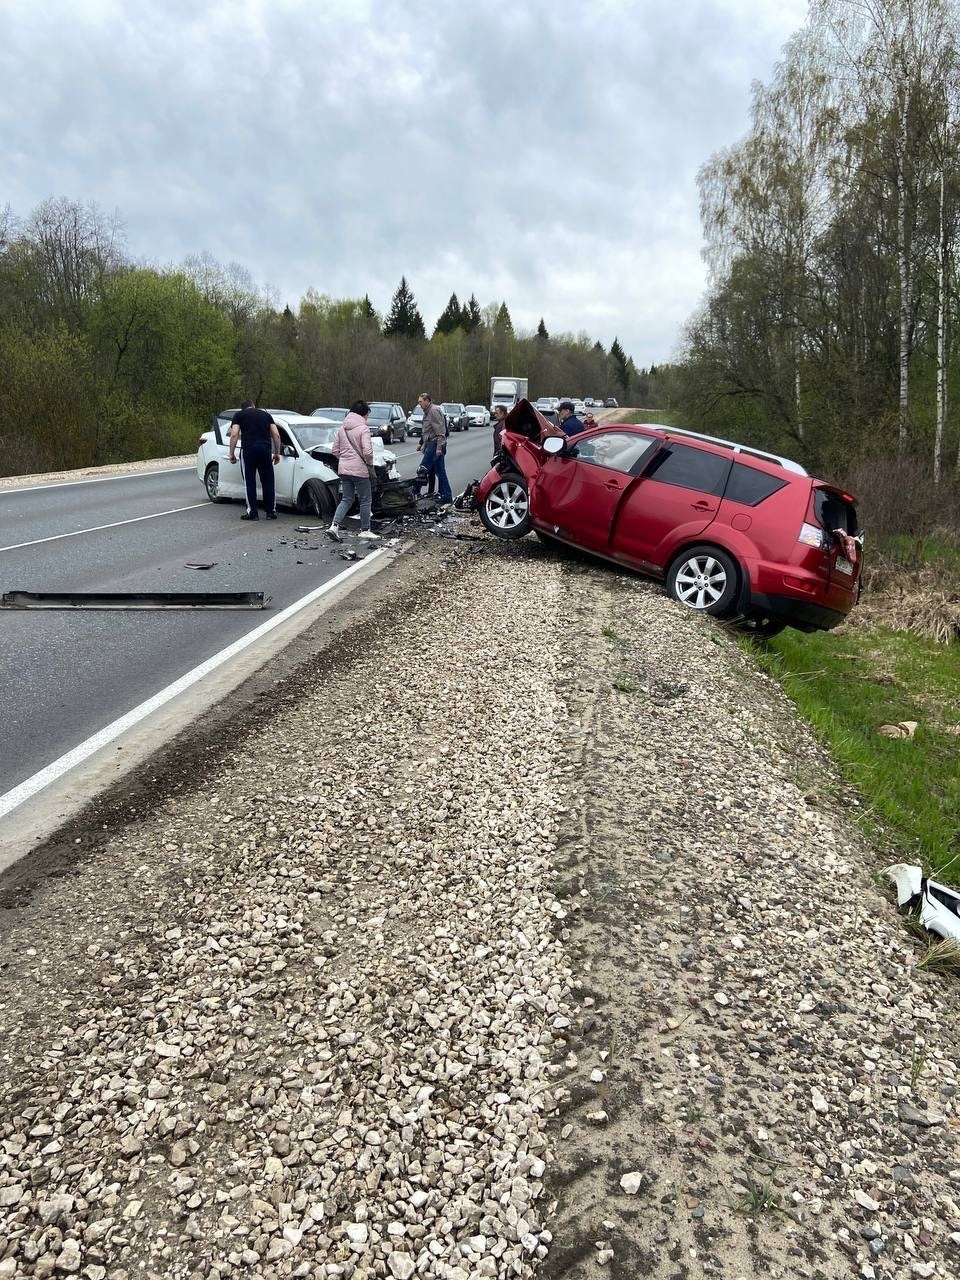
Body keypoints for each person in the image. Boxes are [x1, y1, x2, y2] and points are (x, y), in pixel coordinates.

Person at [326, 400, 381, 542]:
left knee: (346, 499)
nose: (367, 417)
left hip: (344, 469)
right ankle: (365, 530)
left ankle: (334, 526)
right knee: (365, 499)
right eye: (367, 414)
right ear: (363, 414)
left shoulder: (342, 428)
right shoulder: (363, 429)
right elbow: (368, 452)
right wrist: (368, 464)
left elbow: (335, 450)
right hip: (359, 470)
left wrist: (344, 460)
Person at [229, 401, 282, 520]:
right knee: (268, 481)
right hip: (265, 450)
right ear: (253, 406)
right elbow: (276, 434)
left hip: (248, 451)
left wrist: (231, 453)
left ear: (243, 408)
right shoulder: (266, 415)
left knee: (250, 482)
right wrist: (277, 453)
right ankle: (270, 512)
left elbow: (234, 434)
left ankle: (253, 512)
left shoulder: (239, 415)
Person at [417, 393, 453, 504]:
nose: (419, 404)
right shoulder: (427, 412)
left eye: (421, 401)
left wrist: (439, 448)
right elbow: (427, 430)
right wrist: (421, 442)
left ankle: (413, 492)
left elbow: (440, 432)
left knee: (423, 469)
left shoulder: (433, 411)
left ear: (427, 401)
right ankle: (445, 495)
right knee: (440, 471)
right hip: (431, 443)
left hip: (435, 444)